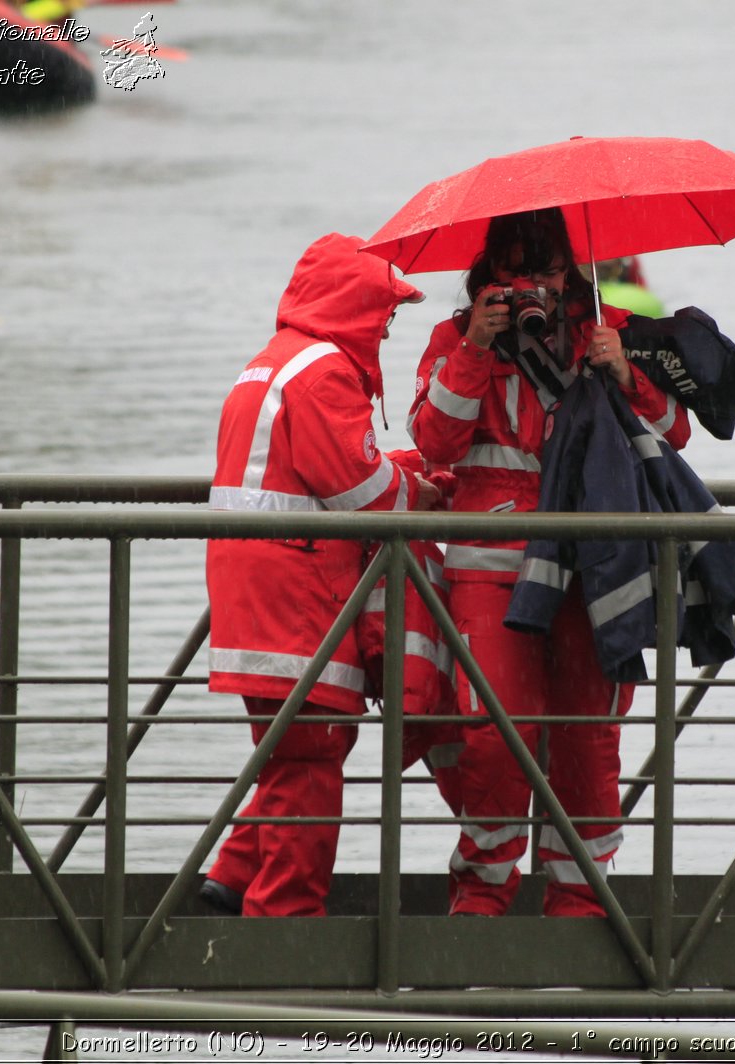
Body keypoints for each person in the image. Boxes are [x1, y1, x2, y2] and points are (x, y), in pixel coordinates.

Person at [407, 209, 690, 917]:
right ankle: (482, 891)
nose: (533, 285)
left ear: (571, 271)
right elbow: (434, 441)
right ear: (490, 275)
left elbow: (676, 431)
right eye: (515, 270)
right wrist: (476, 345)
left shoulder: (608, 326)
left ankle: (581, 901)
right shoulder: (457, 334)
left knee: (587, 737)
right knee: (495, 732)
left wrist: (622, 369)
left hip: (592, 563)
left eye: (547, 269)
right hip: (490, 562)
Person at [201, 232, 442, 918]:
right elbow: (364, 494)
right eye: (384, 317)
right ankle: (282, 922)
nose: (387, 332)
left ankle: (232, 875)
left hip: (253, 594)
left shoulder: (271, 363)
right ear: (355, 306)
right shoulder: (327, 373)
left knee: (287, 751)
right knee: (312, 755)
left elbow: (313, 471)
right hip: (297, 600)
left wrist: (393, 467)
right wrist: (416, 488)